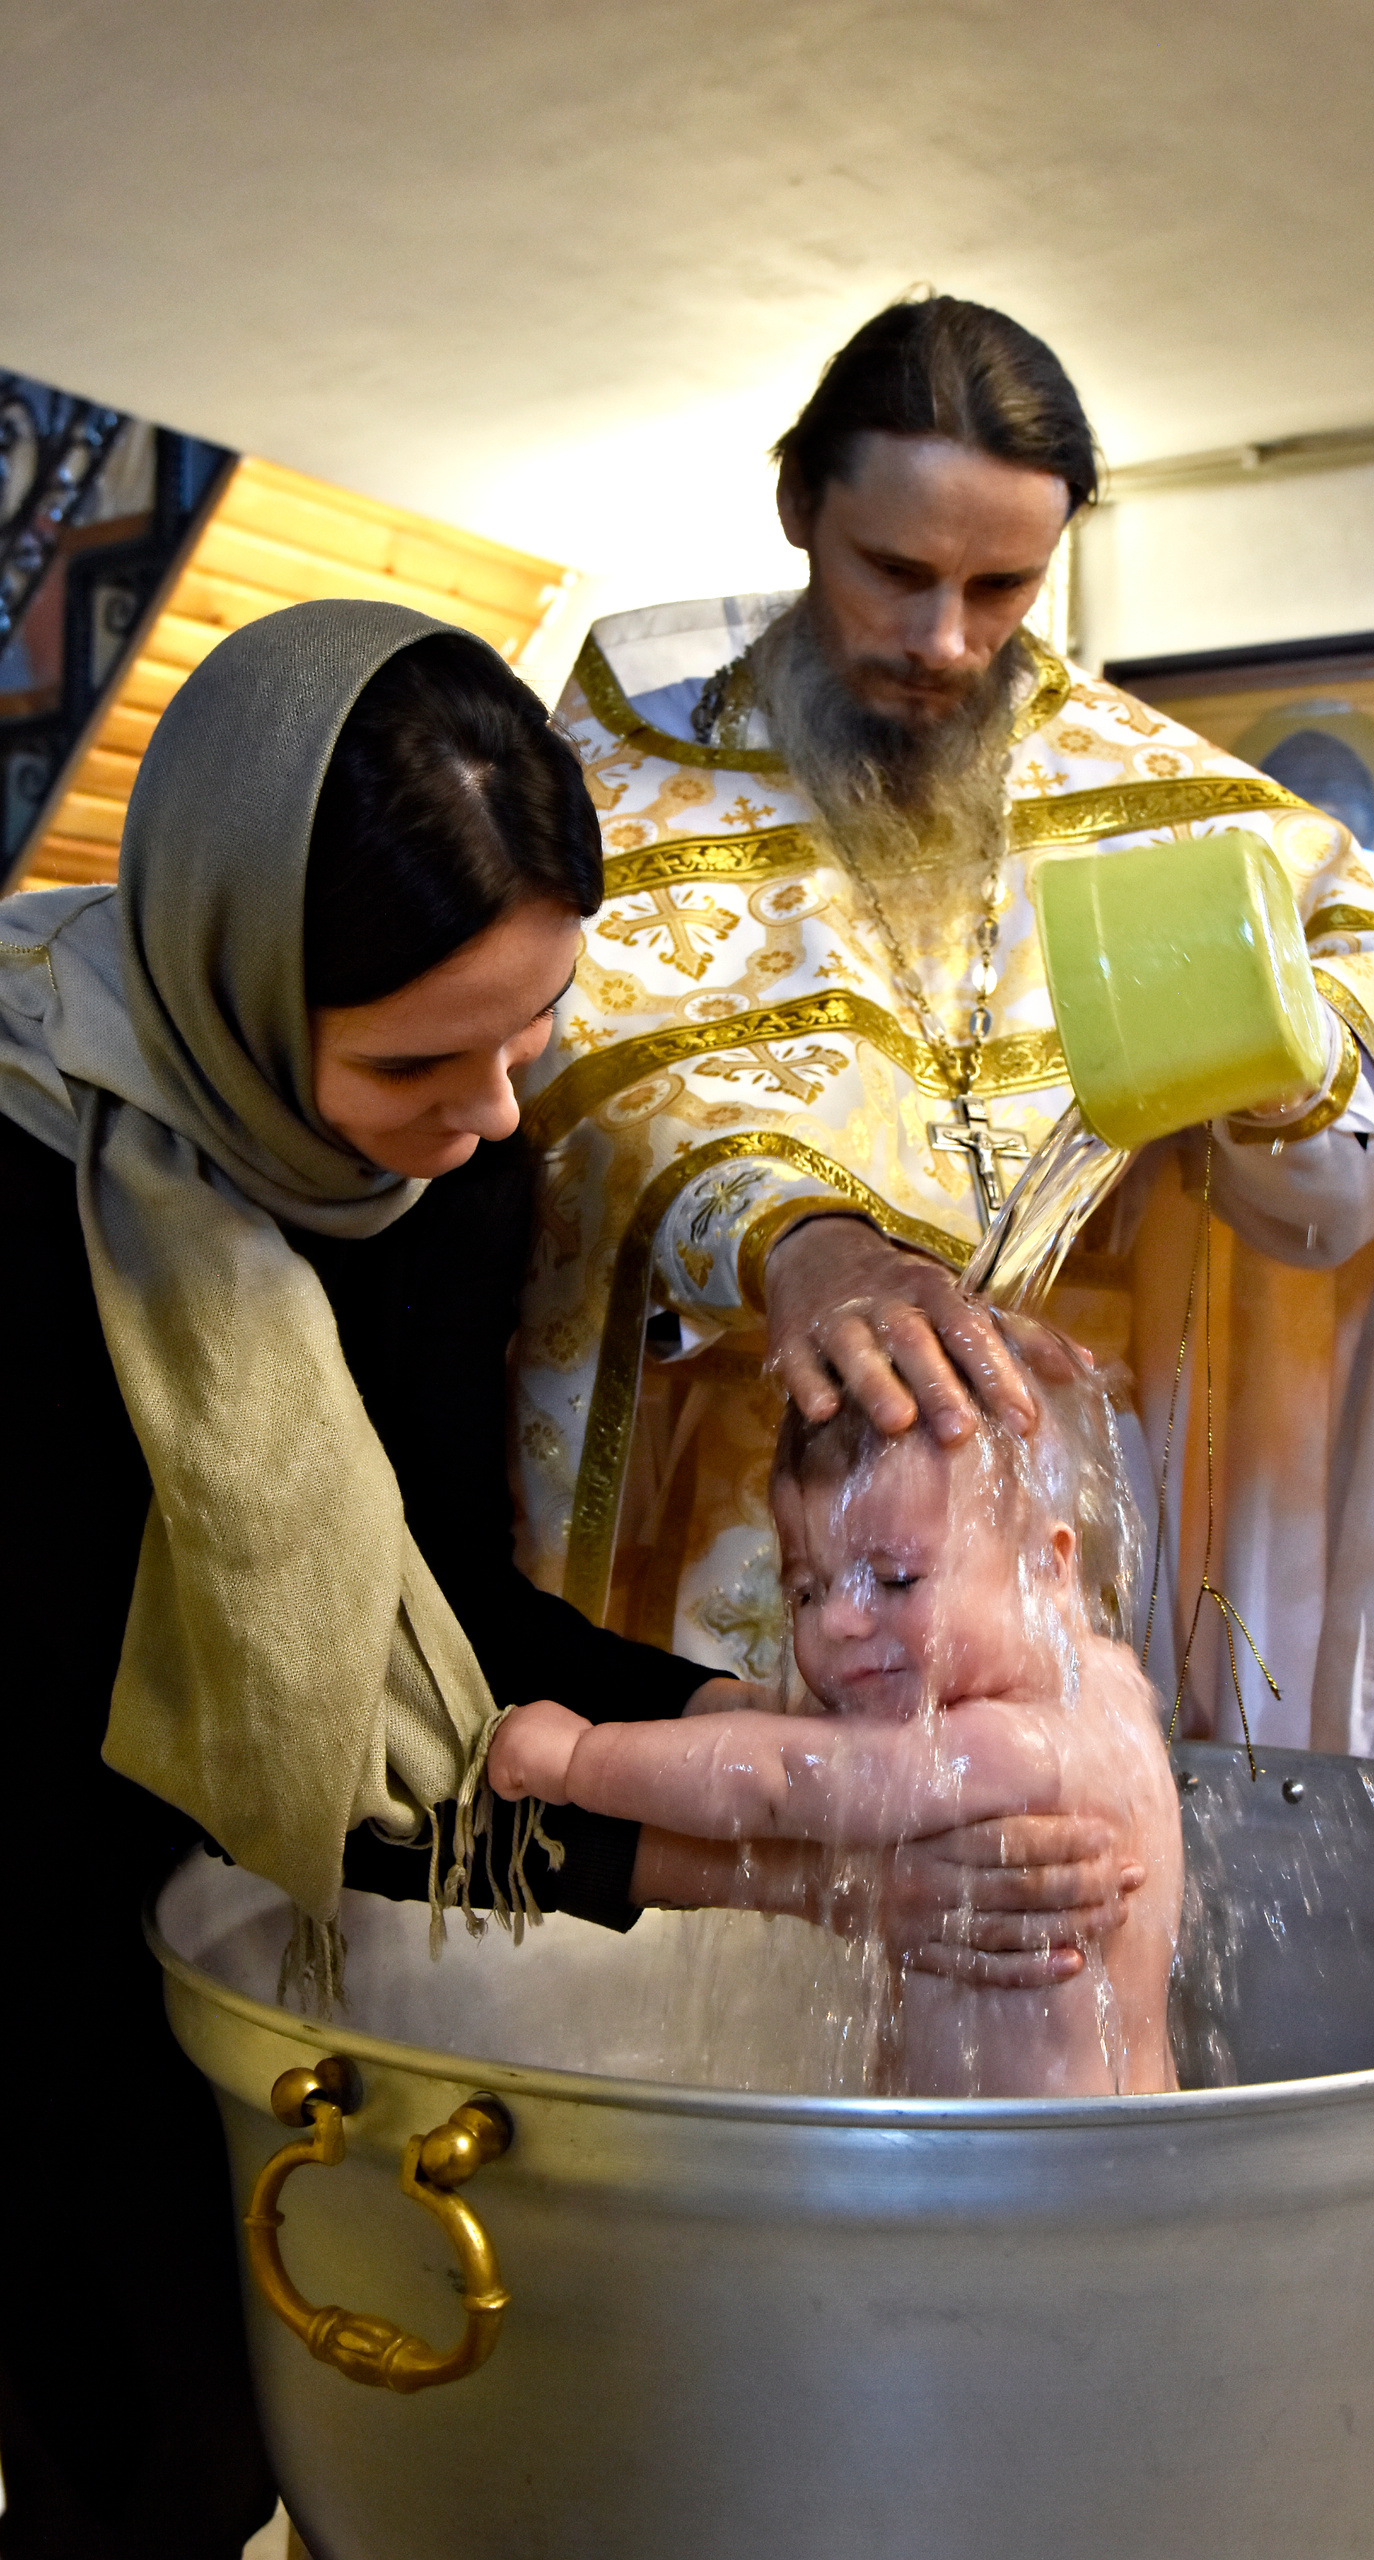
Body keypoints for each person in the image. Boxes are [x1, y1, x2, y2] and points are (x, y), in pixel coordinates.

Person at [0, 598, 1129, 2559]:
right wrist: (765, 1845)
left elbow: (420, 1614)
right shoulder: (44, 1198)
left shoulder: (443, 1158)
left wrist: (771, 1755)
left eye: (534, 1031)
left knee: (187, 2429)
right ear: (234, 983)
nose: (499, 1112)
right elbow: (257, 1711)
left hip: (199, 1876)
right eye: (423, 1056)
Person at [514, 293, 1374, 1762]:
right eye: (896, 571)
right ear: (797, 502)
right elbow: (564, 1095)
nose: (944, 639)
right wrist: (795, 1238)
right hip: (738, 1545)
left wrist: (1279, 1071)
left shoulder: (1172, 811)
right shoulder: (613, 795)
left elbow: (1334, 1216)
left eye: (1003, 588)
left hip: (1052, 1557)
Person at [493, 1334, 1182, 2099]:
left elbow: (774, 1779)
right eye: (807, 1591)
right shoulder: (1113, 1691)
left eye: (894, 1579)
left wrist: (578, 1760)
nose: (842, 1623)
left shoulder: (1003, 1748)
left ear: (1047, 1569)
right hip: (1117, 2161)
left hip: (1008, 2187)